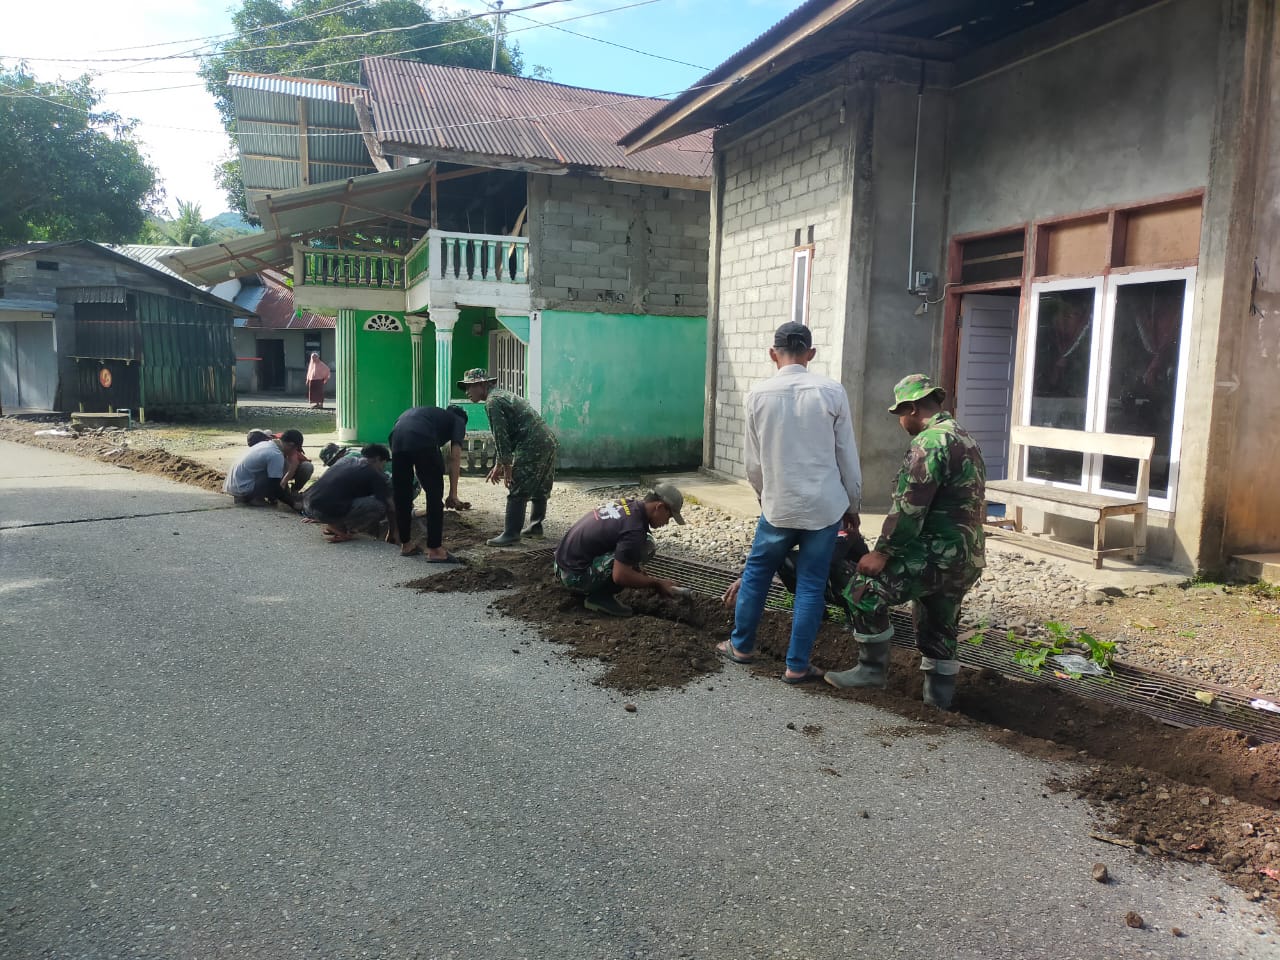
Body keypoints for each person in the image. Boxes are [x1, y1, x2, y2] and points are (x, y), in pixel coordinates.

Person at [825, 374, 986, 711]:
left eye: (900, 413)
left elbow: (910, 509)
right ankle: (938, 705)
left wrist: (882, 552)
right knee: (938, 623)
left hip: (933, 553)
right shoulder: (964, 437)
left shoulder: (929, 443)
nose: (900, 422)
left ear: (912, 408)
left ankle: (871, 671)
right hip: (965, 556)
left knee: (863, 590)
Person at [715, 322, 862, 685]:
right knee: (811, 585)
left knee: (757, 575)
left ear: (772, 354)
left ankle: (741, 646)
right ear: (811, 354)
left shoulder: (757, 395)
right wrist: (852, 504)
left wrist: (765, 496)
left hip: (778, 506)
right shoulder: (832, 391)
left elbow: (753, 464)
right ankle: (797, 666)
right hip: (824, 508)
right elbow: (846, 455)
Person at [553, 484, 688, 617]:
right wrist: (656, 583)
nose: (667, 522)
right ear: (659, 507)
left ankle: (590, 586)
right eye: (669, 517)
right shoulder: (634, 529)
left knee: (637, 548)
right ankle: (599, 598)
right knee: (644, 547)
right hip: (572, 576)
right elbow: (620, 576)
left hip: (560, 564)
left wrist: (636, 569)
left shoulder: (627, 504)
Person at [459, 368, 557, 547]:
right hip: (546, 440)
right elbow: (506, 434)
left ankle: (511, 534)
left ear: (482, 384)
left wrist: (507, 466)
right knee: (540, 486)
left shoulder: (492, 402)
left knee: (516, 488)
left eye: (469, 386)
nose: (467, 392)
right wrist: (500, 464)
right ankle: (535, 527)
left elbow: (500, 435)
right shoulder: (501, 395)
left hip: (531, 444)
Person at [388, 404, 470, 562]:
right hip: (422, 439)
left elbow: (419, 463)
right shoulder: (458, 420)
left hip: (397, 438)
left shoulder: (430, 414)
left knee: (402, 495)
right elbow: (455, 457)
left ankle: (406, 544)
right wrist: (453, 494)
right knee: (434, 496)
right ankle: (435, 550)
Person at [302, 444, 397, 543]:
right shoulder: (374, 474)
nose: (382, 468)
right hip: (322, 511)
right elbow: (390, 507)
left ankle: (332, 523)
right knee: (380, 505)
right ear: (377, 459)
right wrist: (392, 532)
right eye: (383, 464)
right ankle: (338, 528)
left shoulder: (346, 461)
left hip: (309, 506)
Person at [223, 428, 309, 508]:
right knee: (273, 476)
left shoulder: (266, 444)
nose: (295, 452)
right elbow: (274, 485)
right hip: (243, 489)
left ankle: (248, 497)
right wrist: (293, 504)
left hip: (233, 486)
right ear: (291, 445)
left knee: (273, 473)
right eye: (296, 449)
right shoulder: (276, 454)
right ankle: (253, 498)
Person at [247, 428, 315, 492]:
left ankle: (294, 491)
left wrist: (284, 482)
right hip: (276, 470)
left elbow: (293, 464)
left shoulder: (284, 446)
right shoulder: (265, 448)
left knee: (307, 466)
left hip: (291, 468)